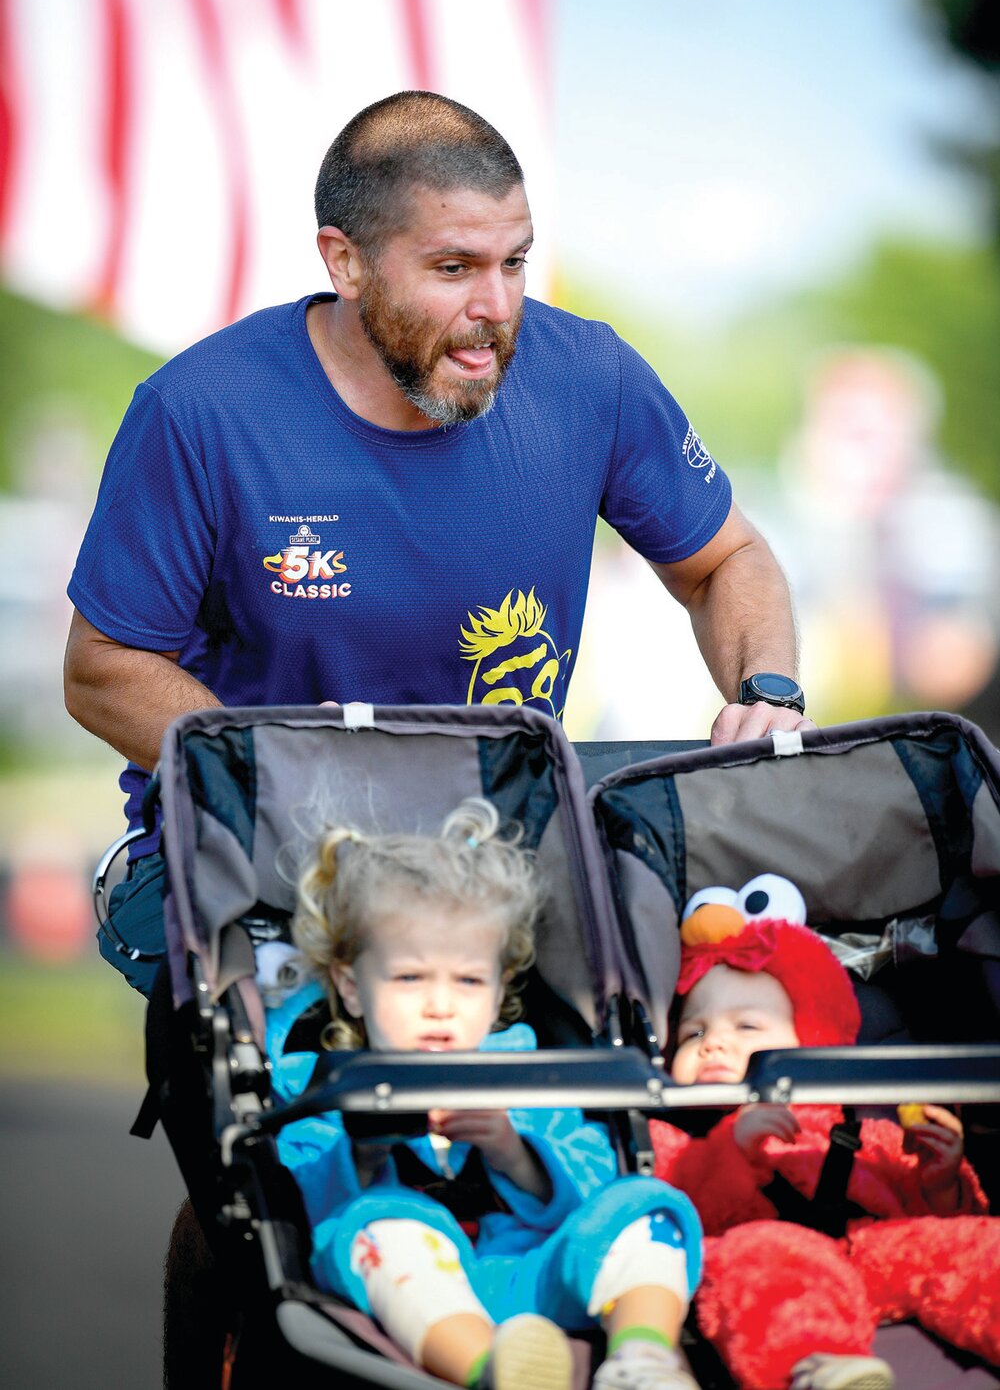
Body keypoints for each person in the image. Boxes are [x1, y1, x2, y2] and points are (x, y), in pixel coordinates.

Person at [64, 89, 814, 995]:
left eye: (516, 262)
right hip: (263, 866)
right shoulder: (201, 412)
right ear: (346, 261)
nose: (496, 307)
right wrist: (298, 785)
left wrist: (768, 693)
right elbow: (102, 666)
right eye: (455, 267)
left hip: (498, 862)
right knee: (323, 1128)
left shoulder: (591, 378)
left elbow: (727, 558)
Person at [267, 796, 704, 1390]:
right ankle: (493, 1368)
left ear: (498, 994)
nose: (440, 1006)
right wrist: (365, 1150)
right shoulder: (319, 1085)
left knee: (642, 1204)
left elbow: (596, 1180)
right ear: (349, 985)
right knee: (381, 1226)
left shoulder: (524, 1073)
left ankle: (645, 1358)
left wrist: (515, 1153)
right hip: (415, 1297)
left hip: (534, 1275)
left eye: (468, 981)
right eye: (410, 977)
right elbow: (298, 1201)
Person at [649, 907, 1000, 1390]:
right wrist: (732, 1148)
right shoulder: (677, 1140)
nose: (714, 1045)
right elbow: (676, 1216)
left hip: (873, 1252)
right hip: (772, 1256)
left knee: (975, 1248)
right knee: (762, 1263)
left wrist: (939, 1182)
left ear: (810, 1042)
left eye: (746, 1028)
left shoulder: (863, 1129)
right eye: (695, 1032)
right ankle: (818, 1367)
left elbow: (928, 1216)